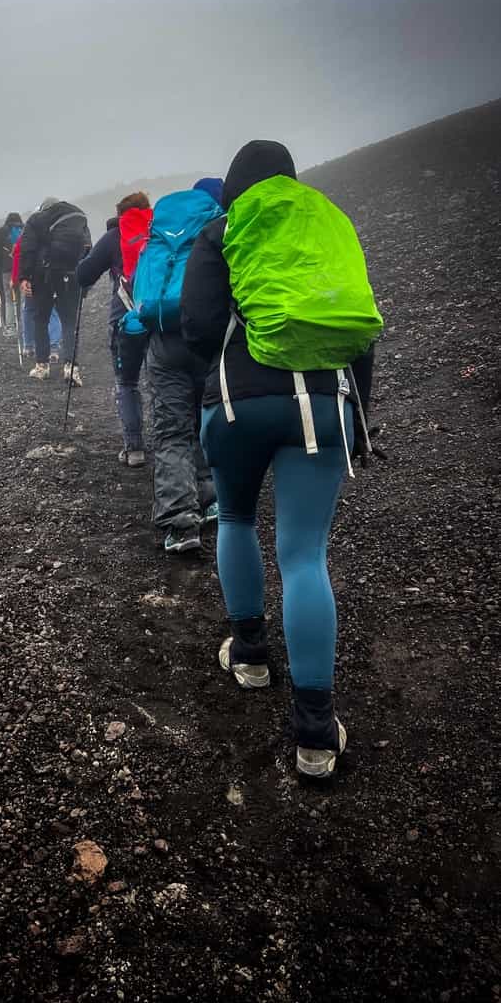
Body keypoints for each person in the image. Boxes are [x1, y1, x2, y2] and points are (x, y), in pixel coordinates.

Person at [180, 140, 383, 778]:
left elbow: (198, 325)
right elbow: (357, 328)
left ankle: (249, 655)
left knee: (236, 519)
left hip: (238, 405)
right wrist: (358, 420)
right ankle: (316, 736)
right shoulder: (327, 219)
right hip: (323, 404)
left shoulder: (224, 229)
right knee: (303, 555)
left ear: (237, 185)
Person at [128, 180, 223, 553]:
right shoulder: (217, 227)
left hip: (164, 343)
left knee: (171, 431)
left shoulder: (158, 238)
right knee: (207, 420)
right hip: (207, 339)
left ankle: (181, 524)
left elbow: (138, 293)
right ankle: (212, 498)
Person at [76, 193, 152, 466]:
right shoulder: (161, 229)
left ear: (121, 213)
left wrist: (85, 257)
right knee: (165, 381)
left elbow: (83, 276)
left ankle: (134, 449)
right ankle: (176, 446)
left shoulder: (115, 236)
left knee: (127, 382)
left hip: (126, 318)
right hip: (163, 317)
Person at [19, 197, 91, 383]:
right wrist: (85, 282)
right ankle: (71, 368)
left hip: (44, 275)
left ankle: (42, 366)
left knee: (41, 319)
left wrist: (24, 277)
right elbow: (87, 249)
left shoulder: (36, 219)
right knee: (69, 320)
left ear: (44, 208)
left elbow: (27, 249)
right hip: (71, 273)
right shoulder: (78, 216)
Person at [11, 234, 62, 362]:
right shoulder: (55, 232)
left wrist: (16, 278)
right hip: (52, 277)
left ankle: (29, 346)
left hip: (32, 279)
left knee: (29, 310)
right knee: (53, 311)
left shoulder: (26, 236)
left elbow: (18, 256)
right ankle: (54, 347)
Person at [0, 212, 23, 338]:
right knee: (22, 297)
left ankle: (10, 327)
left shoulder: (0, 232)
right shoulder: (24, 229)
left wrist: (2, 264)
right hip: (22, 268)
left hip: (6, 270)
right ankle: (23, 325)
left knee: (8, 298)